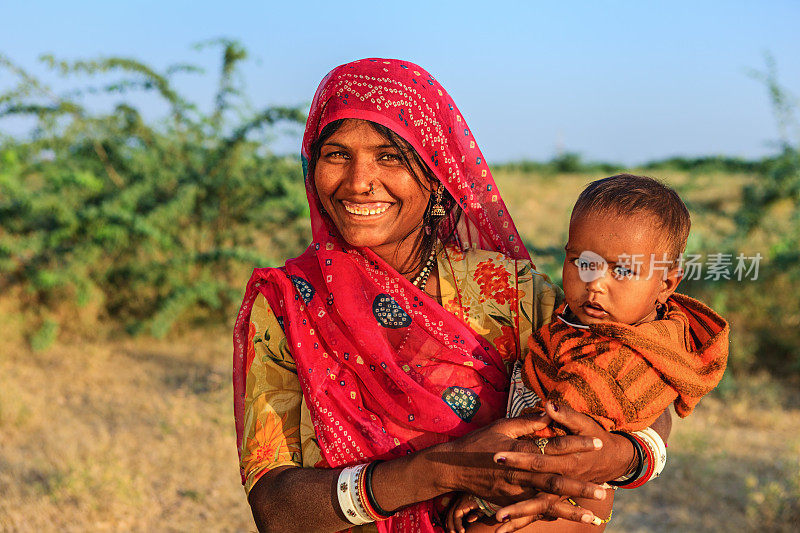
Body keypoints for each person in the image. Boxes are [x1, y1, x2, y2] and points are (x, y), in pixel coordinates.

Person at [232, 59, 672, 533]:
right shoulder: (288, 304)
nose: (358, 181)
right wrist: (441, 470)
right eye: (336, 154)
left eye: (390, 156)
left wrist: (622, 457)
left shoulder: (506, 291)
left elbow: (638, 376)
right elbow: (275, 509)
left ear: (437, 174)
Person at [447, 175, 729, 532]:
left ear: (666, 284)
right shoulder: (588, 322)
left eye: (623, 270)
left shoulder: (625, 353)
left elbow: (559, 427)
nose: (596, 283)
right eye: (583, 263)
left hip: (554, 496)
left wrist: (487, 494)